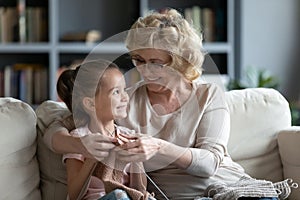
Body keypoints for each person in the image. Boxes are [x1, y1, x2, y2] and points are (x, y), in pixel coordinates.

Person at [42, 9, 289, 200]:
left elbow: (209, 164)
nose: (146, 71)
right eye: (139, 60)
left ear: (181, 62)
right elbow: (58, 125)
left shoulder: (208, 95)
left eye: (157, 63)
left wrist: (158, 147)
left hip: (228, 187)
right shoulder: (126, 100)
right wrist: (80, 144)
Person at [56, 60, 153, 200]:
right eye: (116, 92)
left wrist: (137, 161)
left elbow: (138, 191)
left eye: (124, 90)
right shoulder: (80, 138)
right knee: (119, 196)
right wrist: (90, 159)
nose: (125, 97)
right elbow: (74, 194)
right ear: (90, 104)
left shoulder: (128, 136)